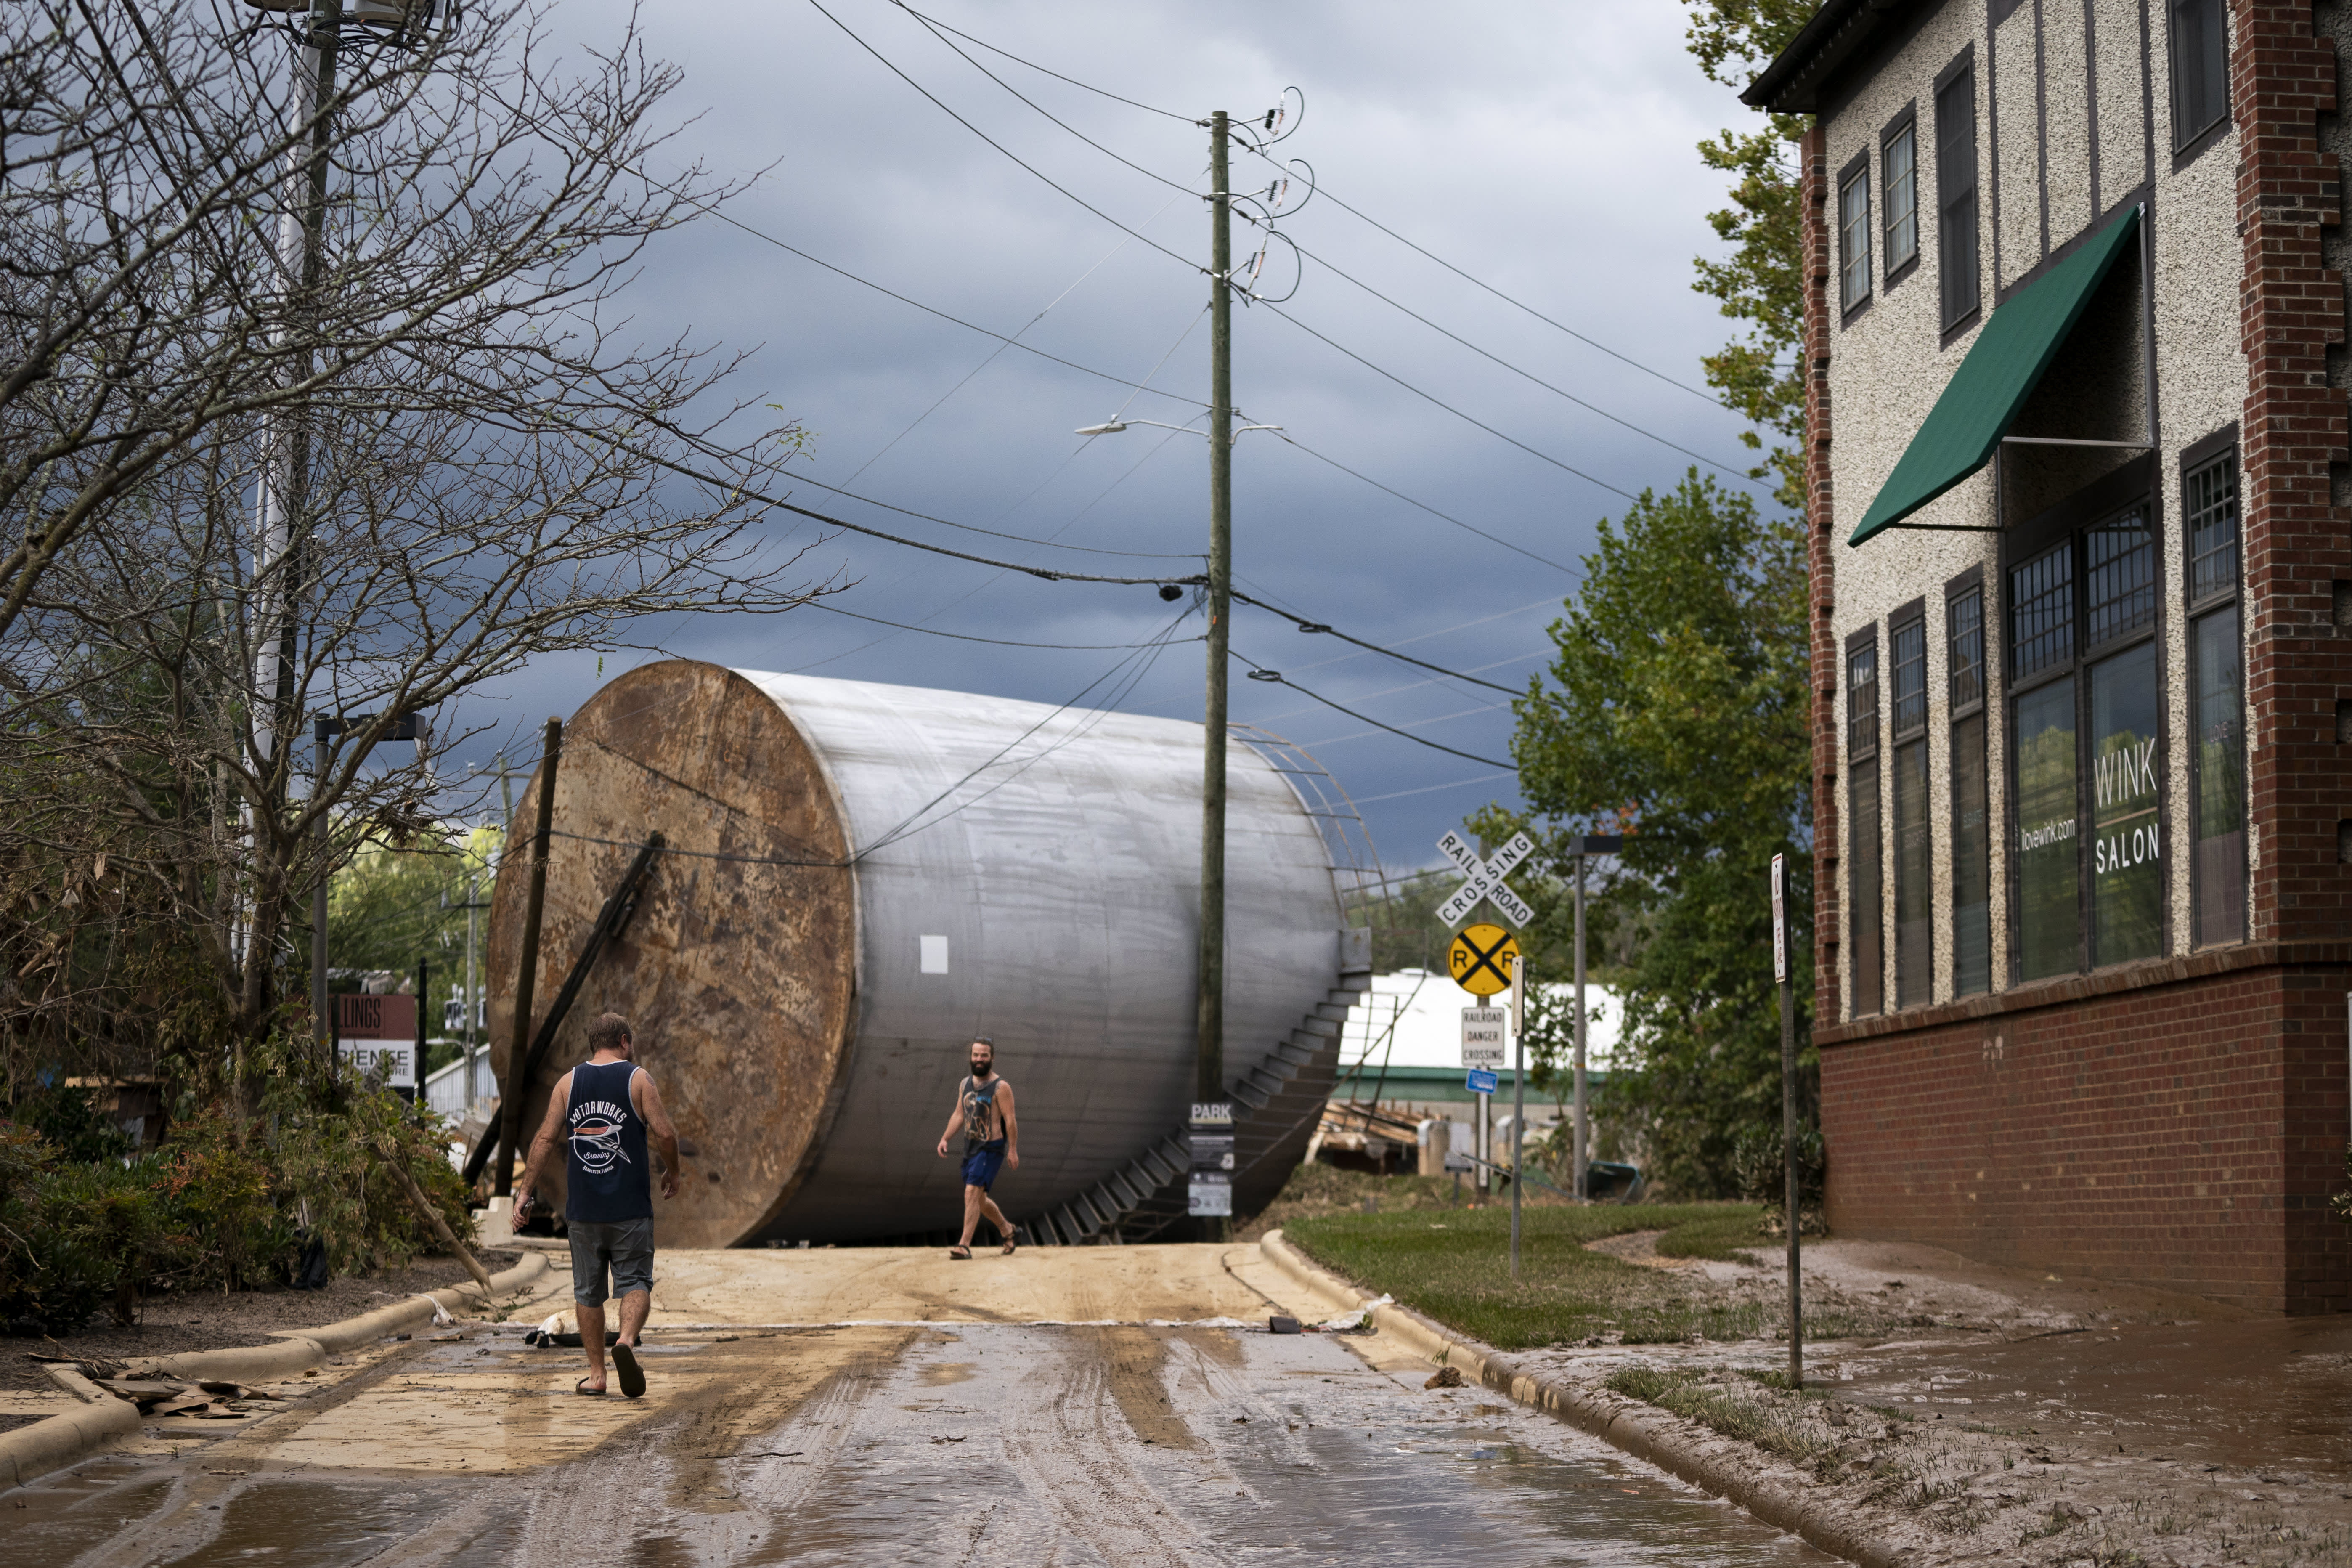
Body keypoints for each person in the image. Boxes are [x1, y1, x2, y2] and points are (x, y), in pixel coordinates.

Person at [513, 1012, 681, 1398]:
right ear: (624, 1041)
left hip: (583, 1212)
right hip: (631, 1210)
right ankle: (624, 1339)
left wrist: (524, 1194)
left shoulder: (567, 1084)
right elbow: (666, 1133)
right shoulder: (638, 1079)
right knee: (635, 1282)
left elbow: (542, 1140)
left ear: (593, 1043)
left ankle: (597, 1375)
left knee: (588, 1293)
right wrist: (674, 1172)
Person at [934, 1036, 1019, 1259]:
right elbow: (959, 1114)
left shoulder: (1001, 1087)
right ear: (970, 1057)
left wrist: (1012, 1150)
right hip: (971, 1147)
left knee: (971, 1191)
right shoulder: (965, 1084)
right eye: (976, 1055)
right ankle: (1008, 1230)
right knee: (980, 1201)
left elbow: (1010, 1120)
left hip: (991, 1149)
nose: (979, 1059)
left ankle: (964, 1245)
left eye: (984, 1055)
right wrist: (945, 1139)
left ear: (992, 1057)